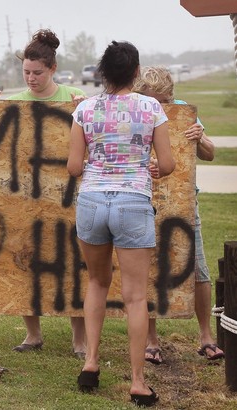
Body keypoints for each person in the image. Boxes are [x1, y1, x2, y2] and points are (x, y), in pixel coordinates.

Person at [67, 41, 175, 406]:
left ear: (103, 72)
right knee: (135, 297)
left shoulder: (84, 109)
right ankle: (138, 383)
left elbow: (74, 168)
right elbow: (168, 163)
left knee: (97, 282)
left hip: (92, 201)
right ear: (135, 72)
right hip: (133, 202)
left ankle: (91, 363)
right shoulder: (151, 107)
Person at [0, 29, 87, 358]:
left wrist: (87, 111)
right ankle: (33, 334)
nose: (31, 78)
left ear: (53, 69)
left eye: (37, 73)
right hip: (24, 199)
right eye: (26, 72)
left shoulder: (74, 98)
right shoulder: (16, 103)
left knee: (73, 264)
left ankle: (80, 340)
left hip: (68, 198)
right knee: (23, 261)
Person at [132, 65, 224, 364]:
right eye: (153, 101)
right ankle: (151, 339)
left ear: (172, 97)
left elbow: (209, 154)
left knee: (198, 268)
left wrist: (200, 137)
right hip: (144, 200)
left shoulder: (183, 111)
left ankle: (206, 336)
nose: (160, 108)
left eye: (164, 101)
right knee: (147, 271)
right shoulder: (133, 111)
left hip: (184, 202)